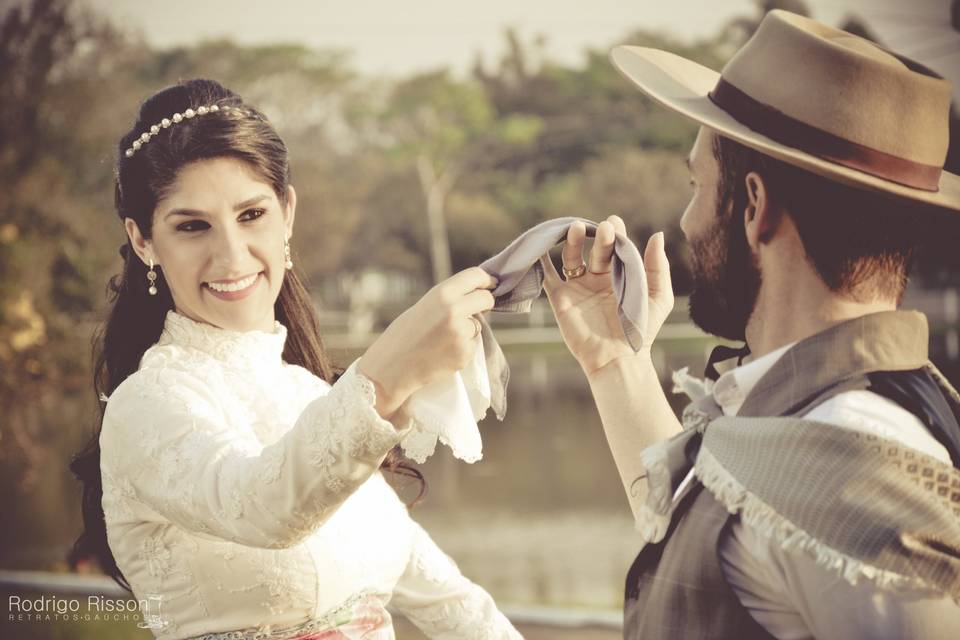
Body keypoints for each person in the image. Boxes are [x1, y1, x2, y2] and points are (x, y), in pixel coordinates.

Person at [540, 10, 960, 639]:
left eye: (695, 184)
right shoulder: (821, 421)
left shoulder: (849, 455)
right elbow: (701, 530)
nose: (684, 221)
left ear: (754, 207)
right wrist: (613, 360)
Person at [67, 78, 522, 640]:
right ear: (143, 242)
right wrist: (388, 371)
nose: (232, 255)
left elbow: (452, 603)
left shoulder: (313, 397)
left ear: (286, 212)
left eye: (251, 215)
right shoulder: (148, 404)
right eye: (192, 226)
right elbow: (263, 506)